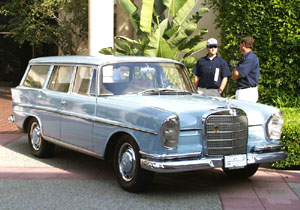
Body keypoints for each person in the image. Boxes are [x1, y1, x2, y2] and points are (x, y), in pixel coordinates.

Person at [232, 36, 260, 102]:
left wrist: (235, 72)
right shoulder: (246, 57)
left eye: (240, 44)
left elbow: (236, 74)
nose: (239, 46)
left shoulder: (250, 58)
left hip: (247, 92)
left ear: (244, 44)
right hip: (244, 91)